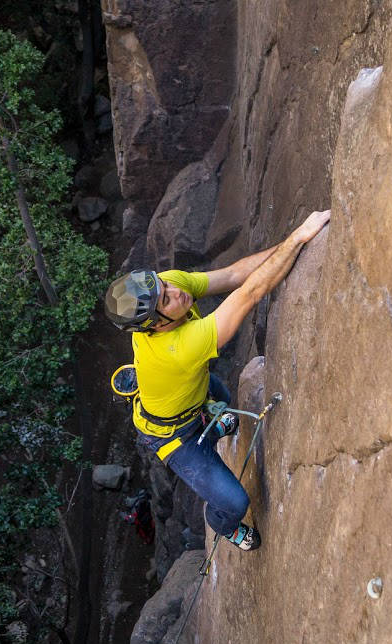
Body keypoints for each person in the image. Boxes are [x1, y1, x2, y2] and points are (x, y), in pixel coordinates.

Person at [104, 209, 332, 551]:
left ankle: (214, 420)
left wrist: (294, 240)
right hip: (173, 436)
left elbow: (233, 275)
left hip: (190, 393)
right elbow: (250, 294)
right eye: (165, 298)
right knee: (236, 503)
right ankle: (222, 524)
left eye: (163, 284)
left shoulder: (167, 286)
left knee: (222, 397)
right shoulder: (177, 348)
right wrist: (298, 238)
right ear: (153, 325)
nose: (175, 291)